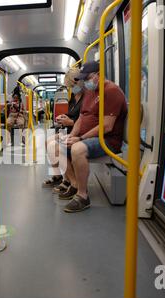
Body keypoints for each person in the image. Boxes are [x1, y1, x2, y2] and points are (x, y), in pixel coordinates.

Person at [59, 61, 127, 213]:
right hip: (87, 137)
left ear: (99, 75)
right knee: (55, 144)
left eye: (88, 78)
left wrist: (80, 139)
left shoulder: (111, 91)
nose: (86, 82)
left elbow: (107, 126)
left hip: (108, 140)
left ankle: (83, 196)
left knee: (77, 149)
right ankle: (74, 184)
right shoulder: (90, 92)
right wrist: (71, 136)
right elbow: (82, 118)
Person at [42, 68, 84, 189]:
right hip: (71, 129)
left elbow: (86, 120)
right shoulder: (73, 97)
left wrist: (70, 122)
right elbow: (71, 114)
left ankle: (70, 181)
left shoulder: (86, 98)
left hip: (80, 132)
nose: (71, 88)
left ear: (79, 82)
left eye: (72, 86)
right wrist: (64, 117)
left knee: (54, 146)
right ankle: (58, 176)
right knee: (48, 141)